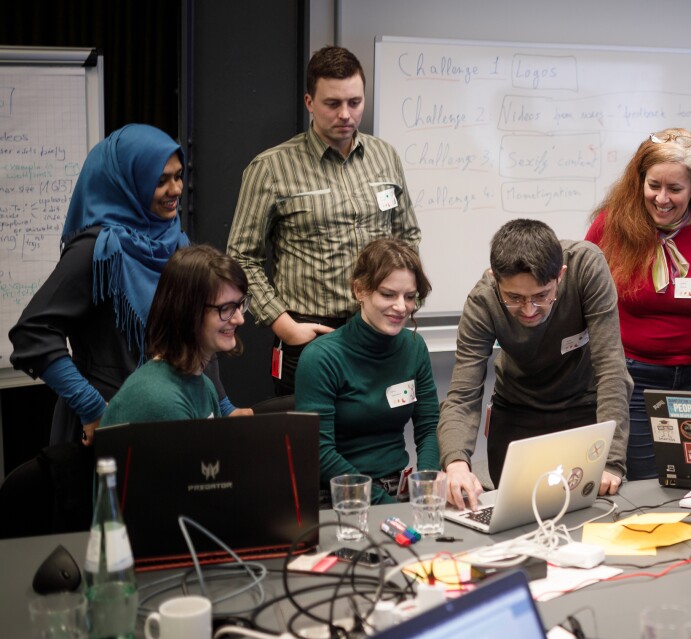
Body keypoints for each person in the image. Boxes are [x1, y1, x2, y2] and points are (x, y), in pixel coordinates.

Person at [10, 124, 245, 446]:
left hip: (170, 416)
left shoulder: (175, 242)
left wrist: (224, 406)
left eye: (178, 176)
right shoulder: (97, 250)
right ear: (128, 182)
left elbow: (198, 333)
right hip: (107, 426)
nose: (176, 189)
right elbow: (31, 333)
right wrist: (90, 407)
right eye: (160, 180)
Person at [228, 45, 421, 395]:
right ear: (309, 102)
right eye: (333, 104)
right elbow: (241, 258)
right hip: (309, 334)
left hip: (376, 329)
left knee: (376, 437)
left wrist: (405, 301)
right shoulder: (271, 168)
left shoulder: (385, 157)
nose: (345, 114)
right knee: (309, 446)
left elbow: (406, 235)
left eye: (355, 102)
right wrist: (283, 325)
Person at [438, 219, 633, 508]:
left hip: (581, 405)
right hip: (517, 411)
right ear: (495, 278)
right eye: (514, 298)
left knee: (589, 512)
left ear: (561, 275)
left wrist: (612, 461)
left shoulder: (586, 266)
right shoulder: (482, 301)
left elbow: (611, 369)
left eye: (542, 296)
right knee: (515, 516)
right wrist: (455, 463)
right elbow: (463, 395)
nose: (529, 310)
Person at [585, 128, 691, 480]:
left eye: (675, 189)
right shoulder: (609, 226)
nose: (662, 198)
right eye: (653, 185)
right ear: (639, 181)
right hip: (633, 379)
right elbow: (583, 303)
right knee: (647, 482)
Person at [295, 238, 440, 505]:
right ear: (359, 291)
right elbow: (320, 452)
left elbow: (428, 426)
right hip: (339, 496)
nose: (401, 307)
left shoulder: (414, 347)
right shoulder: (322, 357)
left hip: (397, 488)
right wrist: (384, 506)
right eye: (388, 294)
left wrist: (428, 487)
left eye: (410, 297)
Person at [100, 246, 248, 426]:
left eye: (240, 305)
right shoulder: (161, 400)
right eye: (225, 308)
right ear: (188, 311)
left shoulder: (205, 386)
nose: (239, 319)